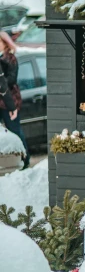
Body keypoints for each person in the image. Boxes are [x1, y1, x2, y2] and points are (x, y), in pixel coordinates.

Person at [0, 31, 29, 169]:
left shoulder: (10, 58)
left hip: (9, 101)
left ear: (5, 43)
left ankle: (25, 158)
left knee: (15, 130)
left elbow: (11, 80)